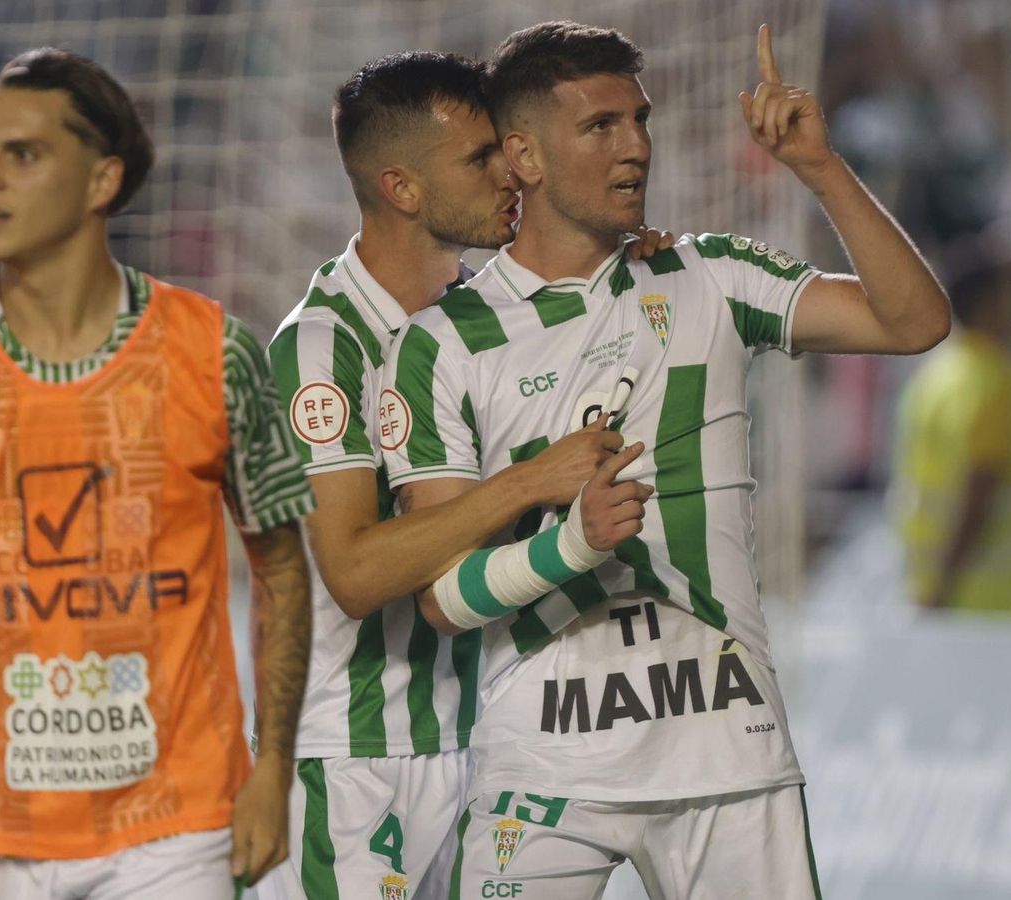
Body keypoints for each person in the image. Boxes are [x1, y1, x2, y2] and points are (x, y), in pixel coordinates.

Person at [382, 21, 948, 898]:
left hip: (728, 750)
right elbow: (443, 598)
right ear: (524, 157)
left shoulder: (708, 275)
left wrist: (820, 170)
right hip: (545, 765)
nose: (635, 147)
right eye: (600, 126)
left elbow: (915, 323)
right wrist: (569, 547)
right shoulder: (441, 345)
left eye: (640, 121)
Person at [0, 48, 313, 899]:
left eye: (23, 153)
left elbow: (281, 567)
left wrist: (272, 768)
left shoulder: (216, 354)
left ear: (101, 181)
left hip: (176, 832)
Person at [259, 52, 667, 898]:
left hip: (478, 745)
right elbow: (354, 572)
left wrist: (646, 264)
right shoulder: (321, 347)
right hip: (353, 766)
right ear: (403, 188)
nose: (509, 173)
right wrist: (525, 485)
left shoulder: (485, 318)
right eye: (479, 158)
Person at [893, 255, 1011, 615]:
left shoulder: (935, 373)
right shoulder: (998, 379)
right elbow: (981, 487)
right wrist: (946, 584)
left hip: (928, 584)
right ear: (991, 303)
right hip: (988, 598)